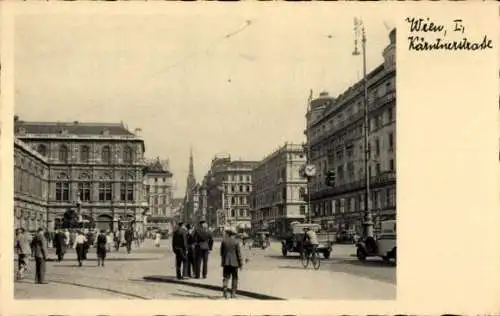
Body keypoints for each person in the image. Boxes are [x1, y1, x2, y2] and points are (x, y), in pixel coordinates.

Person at [220, 227, 243, 299]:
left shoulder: (224, 241)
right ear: (233, 234)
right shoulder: (236, 242)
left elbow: (221, 253)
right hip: (234, 262)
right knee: (235, 278)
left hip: (226, 262)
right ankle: (233, 294)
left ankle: (225, 289)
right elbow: (238, 254)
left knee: (226, 277)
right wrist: (241, 264)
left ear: (228, 234)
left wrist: (224, 259)